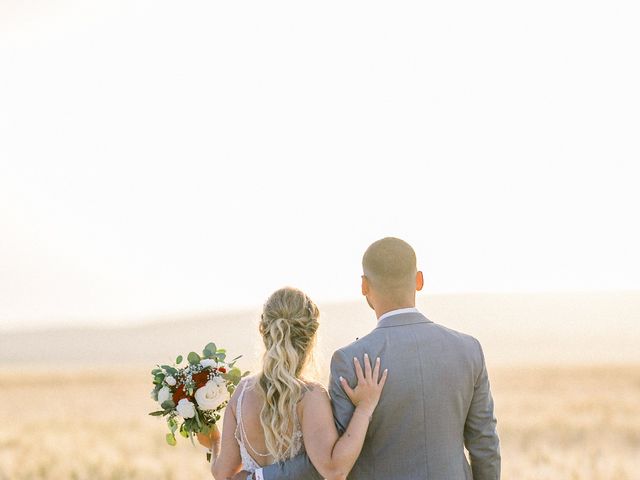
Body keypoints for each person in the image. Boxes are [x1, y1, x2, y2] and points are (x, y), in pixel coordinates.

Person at [232, 237, 501, 479]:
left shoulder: (351, 361)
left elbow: (329, 458)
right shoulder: (468, 350)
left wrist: (258, 477)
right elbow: (484, 443)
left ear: (364, 286)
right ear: (419, 280)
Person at [198, 286, 388, 480]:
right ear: (311, 336)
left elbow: (222, 474)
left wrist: (214, 442)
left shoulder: (242, 393)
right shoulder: (310, 396)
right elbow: (334, 471)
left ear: (263, 330)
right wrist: (364, 408)